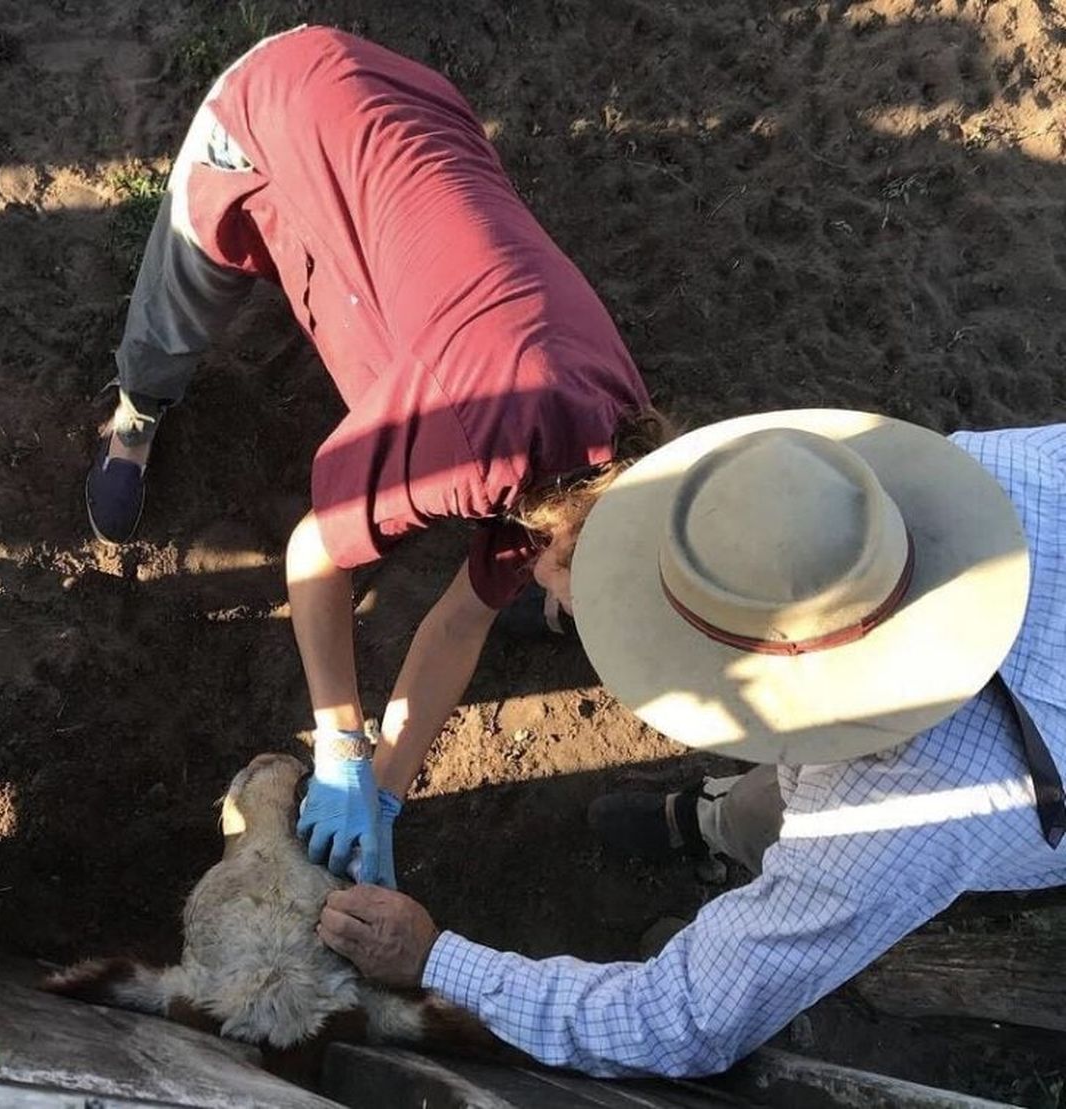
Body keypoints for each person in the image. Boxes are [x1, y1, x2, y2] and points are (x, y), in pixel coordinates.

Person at [84, 27, 664, 885]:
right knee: (185, 297)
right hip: (282, 108)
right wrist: (341, 748)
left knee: (363, 310)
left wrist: (385, 798)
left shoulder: (619, 454)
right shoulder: (482, 445)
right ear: (566, 547)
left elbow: (462, 619)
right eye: (584, 609)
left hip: (411, 124)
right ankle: (136, 410)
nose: (580, 620)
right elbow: (314, 553)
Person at [317, 412, 1066, 1077]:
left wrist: (436, 956)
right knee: (779, 801)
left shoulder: (893, 818)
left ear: (774, 676)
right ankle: (713, 822)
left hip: (984, 795)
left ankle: (729, 855)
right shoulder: (950, 488)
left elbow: (681, 1019)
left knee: (800, 864)